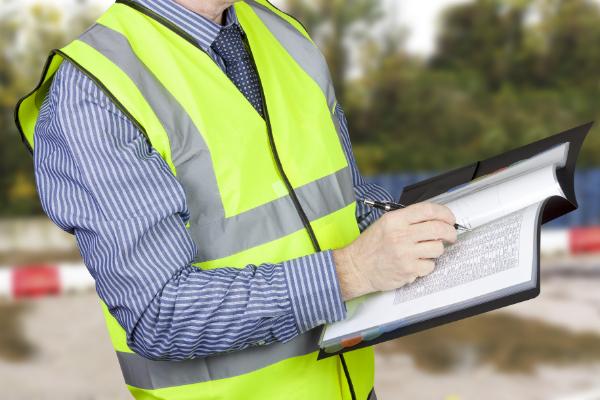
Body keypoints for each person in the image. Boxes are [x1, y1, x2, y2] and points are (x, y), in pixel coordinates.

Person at [15, 0, 457, 399]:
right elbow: (158, 312)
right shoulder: (94, 92)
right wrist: (352, 272)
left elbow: (345, 200)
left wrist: (435, 230)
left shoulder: (281, 33)